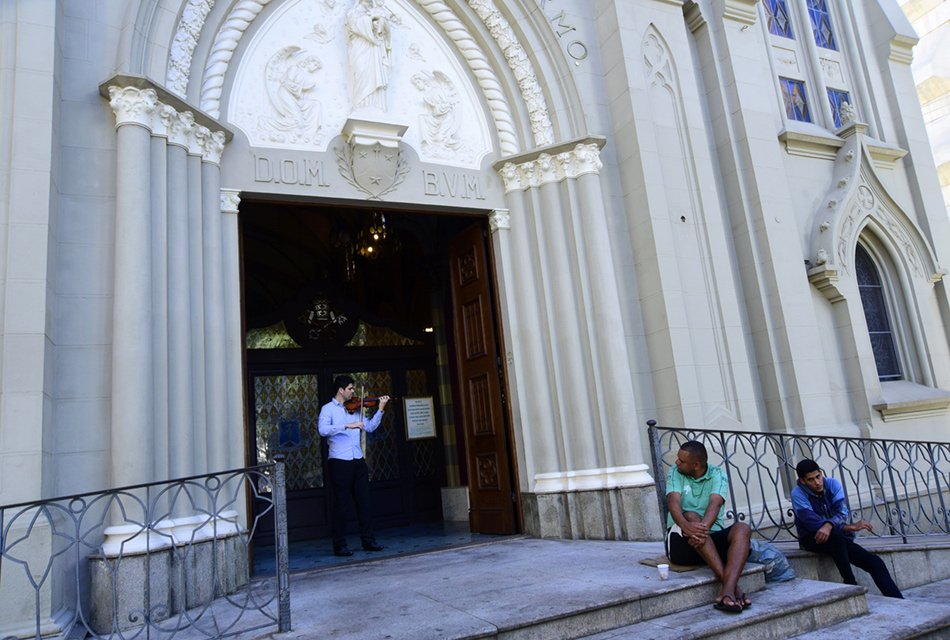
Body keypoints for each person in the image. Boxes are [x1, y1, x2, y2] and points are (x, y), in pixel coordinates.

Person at [791, 459, 903, 598]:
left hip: (837, 538)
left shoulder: (832, 484)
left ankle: (899, 600)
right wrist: (847, 527)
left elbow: (842, 512)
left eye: (818, 477)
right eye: (811, 480)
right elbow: (811, 522)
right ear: (803, 481)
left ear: (821, 473)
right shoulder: (798, 494)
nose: (817, 482)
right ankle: (850, 582)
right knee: (836, 535)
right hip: (812, 539)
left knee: (875, 563)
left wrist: (829, 525)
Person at [666, 440, 752, 613]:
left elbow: (715, 504)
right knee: (691, 515)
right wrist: (687, 526)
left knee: (742, 528)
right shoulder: (675, 472)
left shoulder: (718, 474)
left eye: (682, 461)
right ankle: (733, 590)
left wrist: (700, 531)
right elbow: (673, 502)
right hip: (681, 543)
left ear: (696, 465)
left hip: (707, 539)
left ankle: (726, 593)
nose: (677, 463)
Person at [318, 375, 390, 557]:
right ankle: (339, 545)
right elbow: (323, 430)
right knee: (342, 504)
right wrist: (346, 425)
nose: (353, 392)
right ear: (341, 390)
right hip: (339, 462)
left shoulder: (356, 408)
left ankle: (368, 541)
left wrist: (380, 410)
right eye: (350, 388)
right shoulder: (328, 409)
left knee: (364, 502)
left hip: (358, 460)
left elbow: (370, 427)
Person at [345, 0, 396, 111]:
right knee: (362, 71)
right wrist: (371, 18)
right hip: (360, 47)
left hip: (375, 49)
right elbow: (352, 24)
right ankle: (361, 104)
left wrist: (380, 22)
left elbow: (384, 30)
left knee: (375, 72)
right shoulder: (353, 12)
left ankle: (377, 106)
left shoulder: (375, 10)